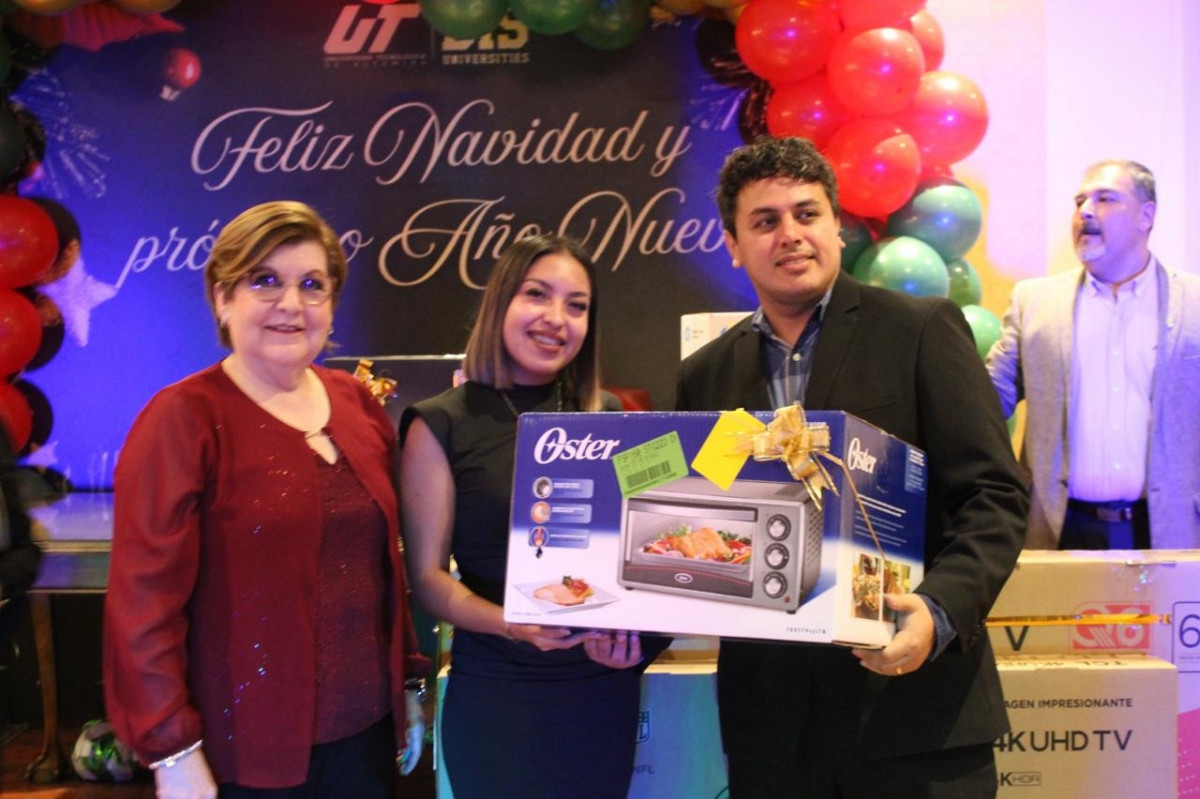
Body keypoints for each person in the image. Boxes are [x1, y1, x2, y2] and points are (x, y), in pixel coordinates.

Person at [676, 137, 1028, 798]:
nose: (790, 234)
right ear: (733, 244)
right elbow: (702, 525)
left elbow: (994, 494)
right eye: (765, 220)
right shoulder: (706, 374)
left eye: (807, 214)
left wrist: (938, 611)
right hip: (775, 735)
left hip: (914, 713)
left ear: (837, 226)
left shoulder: (920, 330)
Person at [104, 201, 428, 799]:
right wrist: (172, 750)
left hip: (365, 739)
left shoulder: (357, 404)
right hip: (244, 755)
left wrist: (408, 681)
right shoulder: (183, 419)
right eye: (264, 281)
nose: (291, 304)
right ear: (222, 299)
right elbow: (142, 607)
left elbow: (382, 569)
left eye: (312, 285)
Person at [399, 233, 667, 799]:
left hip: (598, 696)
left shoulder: (610, 415)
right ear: (501, 301)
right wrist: (508, 621)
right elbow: (427, 579)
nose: (556, 319)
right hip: (498, 696)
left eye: (577, 305)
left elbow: (647, 551)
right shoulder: (441, 422)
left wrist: (631, 641)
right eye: (537, 295)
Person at [987, 159, 1200, 550]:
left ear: (1146, 216)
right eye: (1079, 201)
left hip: (1169, 533)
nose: (1085, 211)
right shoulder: (1034, 302)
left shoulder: (1195, 304)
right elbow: (984, 402)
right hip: (1056, 531)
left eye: (1105, 199)